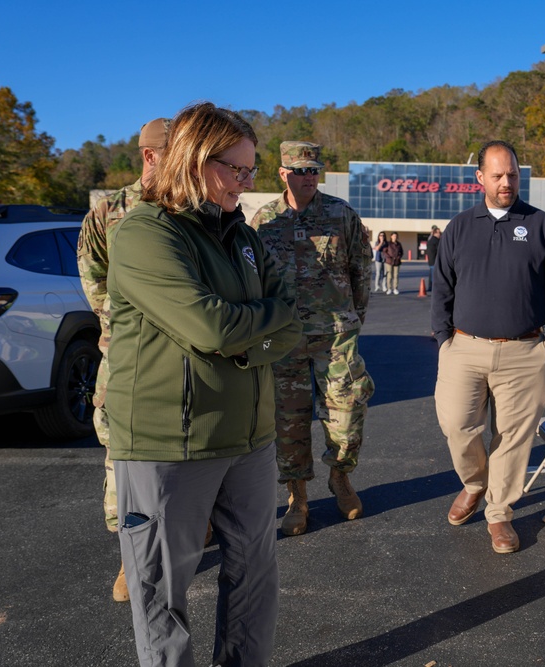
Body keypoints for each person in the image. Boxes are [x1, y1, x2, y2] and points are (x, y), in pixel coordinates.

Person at [106, 103, 302, 666]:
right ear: (194, 159)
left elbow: (290, 318)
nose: (247, 183)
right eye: (236, 169)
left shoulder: (242, 235)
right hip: (171, 444)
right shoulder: (146, 234)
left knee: (253, 580)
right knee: (161, 595)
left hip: (249, 439)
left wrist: (243, 342)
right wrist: (246, 334)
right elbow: (210, 325)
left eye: (251, 170)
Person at [432, 140, 545, 555]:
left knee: (513, 437)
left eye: (512, 174)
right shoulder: (460, 227)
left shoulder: (540, 224)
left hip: (526, 351)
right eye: (497, 175)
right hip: (465, 348)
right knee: (457, 424)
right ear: (480, 178)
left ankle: (499, 513)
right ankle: (475, 484)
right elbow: (441, 286)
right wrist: (444, 341)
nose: (506, 182)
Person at [251, 141, 374, 533]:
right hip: (284, 338)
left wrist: (354, 316)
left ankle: (341, 476)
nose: (308, 177)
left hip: (335, 335)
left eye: (314, 170)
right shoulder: (263, 221)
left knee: (347, 412)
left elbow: (361, 266)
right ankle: (297, 496)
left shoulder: (340, 214)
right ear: (283, 173)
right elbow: (251, 279)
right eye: (300, 170)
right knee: (289, 420)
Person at [77, 117, 169, 603]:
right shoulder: (108, 210)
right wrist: (127, 319)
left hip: (180, 357)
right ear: (150, 155)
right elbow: (92, 276)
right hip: (127, 354)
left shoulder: (186, 208)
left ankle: (194, 530)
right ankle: (130, 559)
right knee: (122, 456)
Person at [426, 225, 441, 290]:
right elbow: (439, 250)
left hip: (431, 260)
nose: (440, 234)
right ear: (435, 233)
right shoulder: (435, 241)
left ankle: (430, 287)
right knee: (434, 275)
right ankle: (433, 287)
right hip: (434, 260)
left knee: (432, 274)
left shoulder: (430, 239)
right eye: (439, 233)